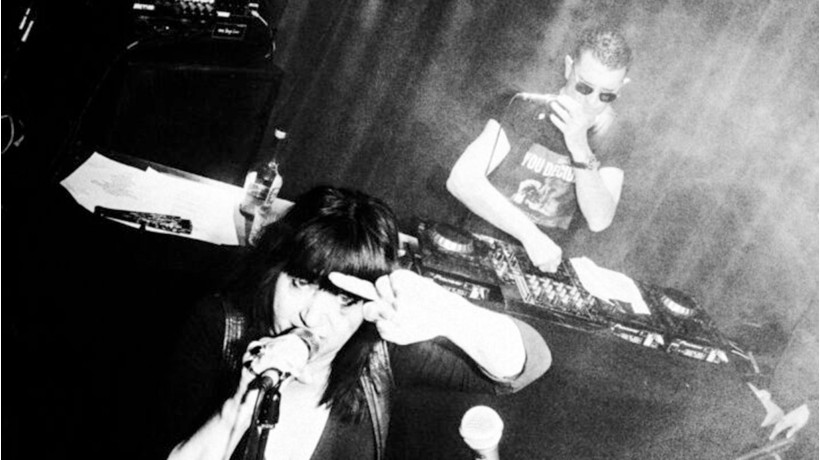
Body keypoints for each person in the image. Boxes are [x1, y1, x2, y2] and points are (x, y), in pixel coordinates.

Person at [162, 185, 552, 460]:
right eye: (300, 283)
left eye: (345, 300)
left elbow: (527, 363)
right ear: (275, 272)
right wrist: (240, 407)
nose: (312, 316)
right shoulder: (218, 328)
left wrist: (450, 314)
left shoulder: (380, 351)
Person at [447, 25, 634, 273]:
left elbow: (599, 220)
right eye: (584, 87)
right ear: (569, 67)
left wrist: (580, 147)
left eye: (606, 95)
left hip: (544, 266)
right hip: (481, 247)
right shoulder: (525, 106)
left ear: (621, 87)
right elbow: (462, 180)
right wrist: (530, 236)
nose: (591, 101)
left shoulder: (615, 135)